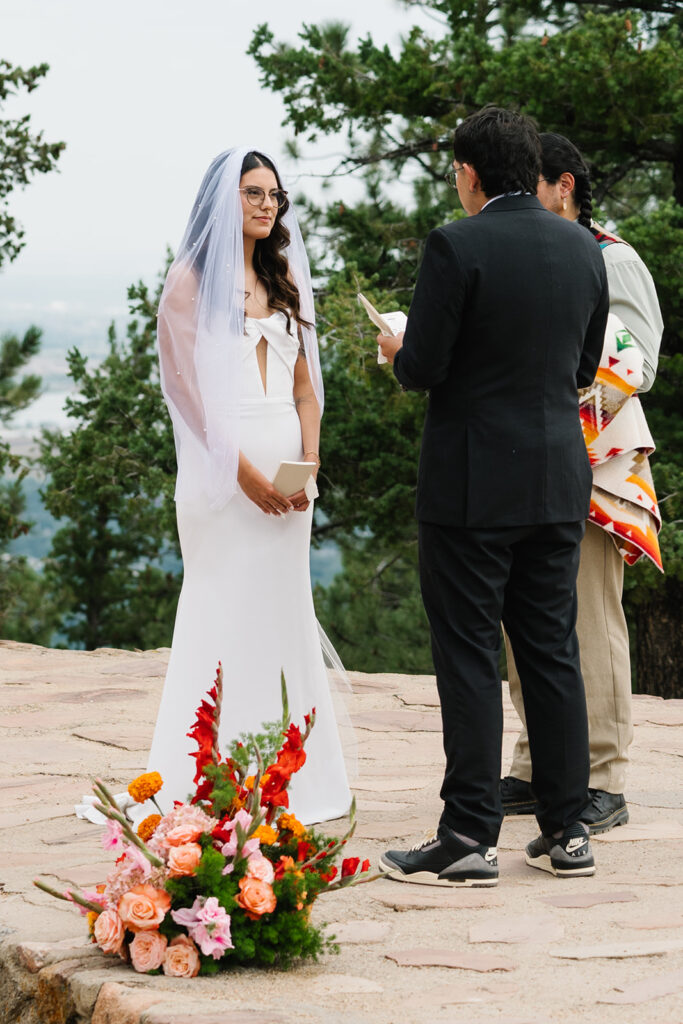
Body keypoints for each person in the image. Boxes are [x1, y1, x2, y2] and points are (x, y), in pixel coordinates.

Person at [376, 107, 609, 886]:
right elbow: (582, 368)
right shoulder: (582, 247)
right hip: (556, 479)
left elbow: (423, 368)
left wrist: (397, 348)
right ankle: (569, 831)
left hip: (471, 487)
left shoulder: (456, 244)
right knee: (551, 653)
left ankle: (468, 836)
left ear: (469, 173)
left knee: (470, 655)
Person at [147, 147, 352, 825]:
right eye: (252, 193)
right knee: (221, 608)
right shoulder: (188, 282)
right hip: (222, 481)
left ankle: (291, 777)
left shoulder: (283, 275)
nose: (267, 205)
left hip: (290, 480)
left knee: (282, 607)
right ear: (222, 199)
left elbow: (305, 389)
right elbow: (185, 394)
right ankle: (207, 777)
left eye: (274, 195)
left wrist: (309, 460)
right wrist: (243, 474)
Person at [500, 132, 663, 834]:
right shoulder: (525, 253)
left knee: (589, 617)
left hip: (595, 460)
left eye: (529, 184)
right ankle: (537, 763)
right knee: (524, 618)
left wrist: (559, 391)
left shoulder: (611, 256)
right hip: (527, 453)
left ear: (562, 186)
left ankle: (603, 776)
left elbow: (638, 361)